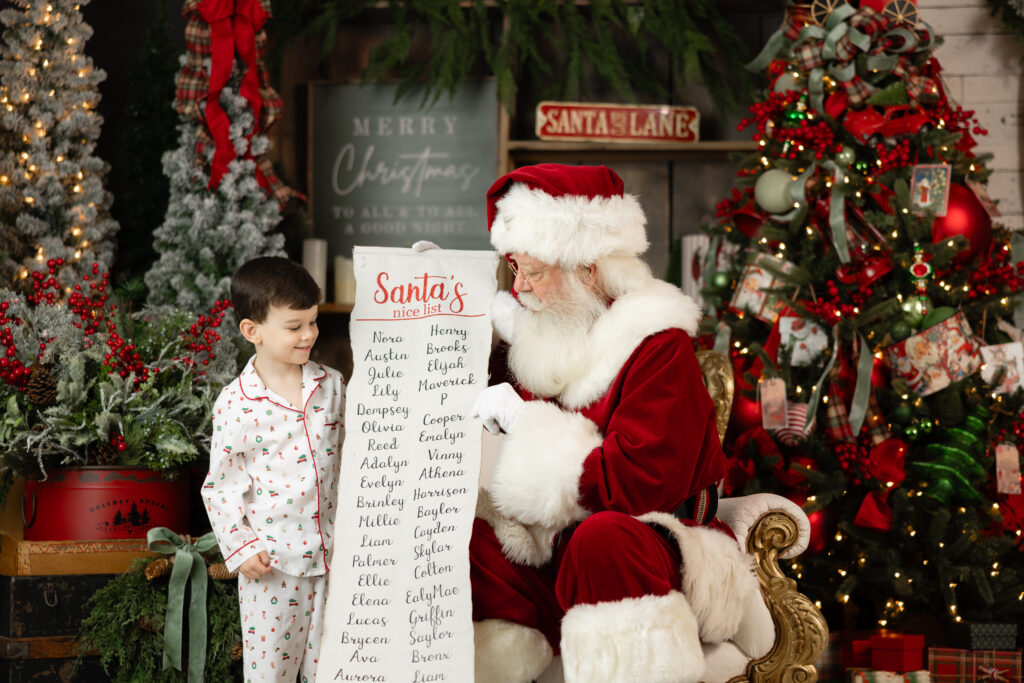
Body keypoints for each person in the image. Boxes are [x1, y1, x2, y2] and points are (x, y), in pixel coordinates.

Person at [470, 164, 772, 683]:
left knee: (602, 538)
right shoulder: (540, 335)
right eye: (514, 269)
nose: (519, 288)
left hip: (655, 540)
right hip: (554, 549)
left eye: (533, 271)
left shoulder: (658, 347)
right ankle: (508, 658)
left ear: (588, 269)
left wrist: (526, 424)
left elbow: (634, 484)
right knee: (464, 537)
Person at [201, 256, 346, 683]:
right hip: (274, 568)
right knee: (271, 675)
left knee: (338, 669)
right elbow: (221, 488)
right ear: (253, 331)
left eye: (314, 322)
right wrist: (241, 548)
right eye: (295, 326)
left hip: (336, 558)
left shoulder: (332, 385)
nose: (309, 335)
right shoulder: (236, 403)